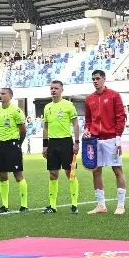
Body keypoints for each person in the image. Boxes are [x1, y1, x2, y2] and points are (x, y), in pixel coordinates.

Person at [83, 69, 127, 214]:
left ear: (104, 79)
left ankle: (120, 205)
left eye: (97, 78)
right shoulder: (89, 98)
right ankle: (101, 205)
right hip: (95, 140)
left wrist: (118, 137)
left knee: (117, 170)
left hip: (111, 138)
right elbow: (88, 119)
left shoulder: (114, 95)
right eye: (93, 79)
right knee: (96, 171)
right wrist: (87, 129)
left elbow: (121, 117)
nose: (95, 81)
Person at [41, 80, 80, 214]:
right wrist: (45, 145)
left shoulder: (69, 105)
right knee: (53, 174)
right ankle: (52, 206)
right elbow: (45, 127)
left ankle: (74, 205)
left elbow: (75, 124)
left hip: (66, 142)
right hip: (52, 143)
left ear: (61, 90)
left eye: (56, 88)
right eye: (51, 88)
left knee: (70, 173)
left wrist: (76, 142)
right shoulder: (47, 107)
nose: (53, 90)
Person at [0, 87, 28, 213]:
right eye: (0, 93)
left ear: (10, 96)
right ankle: (4, 205)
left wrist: (18, 144)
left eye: (3, 93)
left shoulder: (16, 111)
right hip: (0, 145)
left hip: (13, 144)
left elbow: (23, 130)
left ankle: (24, 205)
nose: (0, 95)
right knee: (2, 175)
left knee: (18, 175)